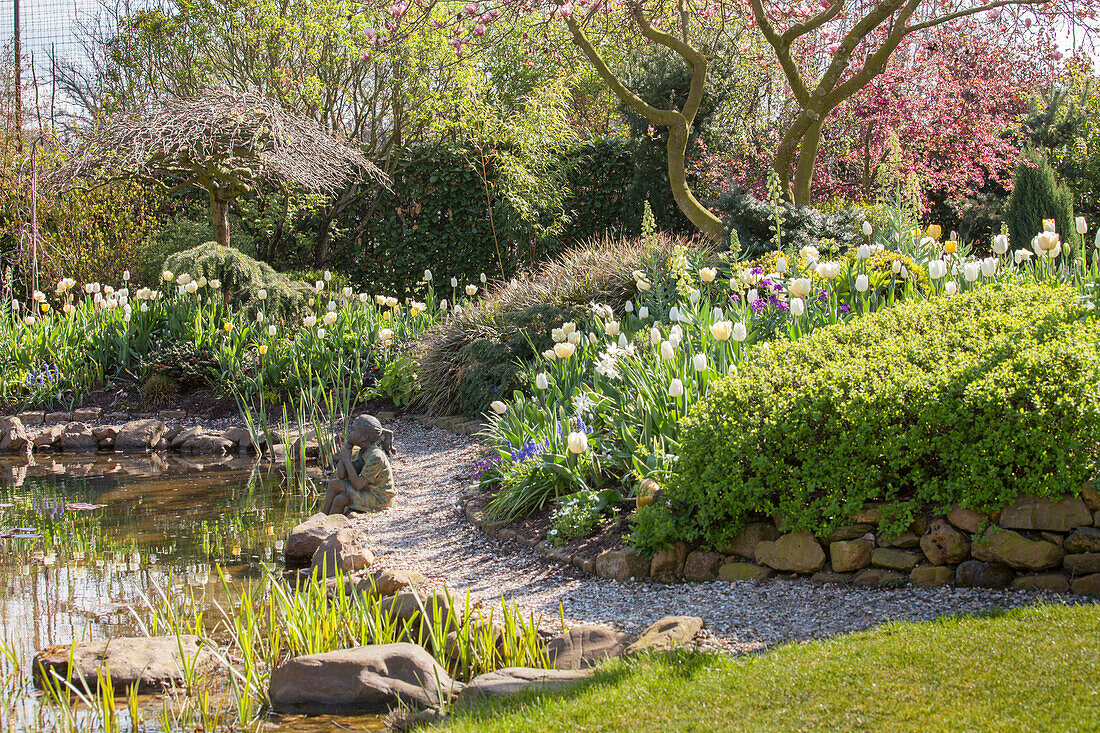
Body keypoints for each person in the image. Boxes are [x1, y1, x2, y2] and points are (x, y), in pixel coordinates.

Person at [321, 415, 395, 515]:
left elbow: (358, 485)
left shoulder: (376, 456)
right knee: (340, 499)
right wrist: (347, 447)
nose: (349, 433)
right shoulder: (363, 451)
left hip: (379, 500)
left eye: (353, 430)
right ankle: (329, 525)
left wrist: (346, 459)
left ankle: (321, 517)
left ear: (364, 437)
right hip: (369, 492)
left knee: (334, 484)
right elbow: (342, 475)